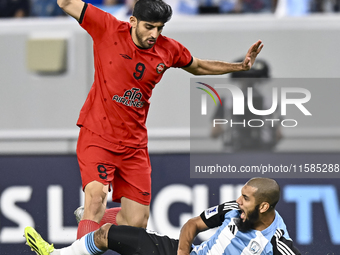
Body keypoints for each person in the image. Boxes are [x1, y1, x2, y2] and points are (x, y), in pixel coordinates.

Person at [56, 0, 264, 240]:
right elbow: (66, 2)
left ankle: (91, 218)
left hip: (134, 145)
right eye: (148, 27)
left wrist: (239, 67)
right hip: (98, 134)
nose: (154, 34)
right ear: (132, 21)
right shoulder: (107, 27)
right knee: (96, 198)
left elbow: (197, 66)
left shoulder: (168, 49)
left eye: (160, 28)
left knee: (135, 223)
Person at [24, 177, 301, 255]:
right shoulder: (233, 209)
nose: (238, 202)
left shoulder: (277, 242)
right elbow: (192, 225)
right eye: (240, 195)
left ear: (264, 207)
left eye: (246, 199)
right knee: (106, 234)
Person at [211, 58, 282, 151]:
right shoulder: (227, 101)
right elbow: (215, 132)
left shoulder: (269, 102)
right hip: (235, 149)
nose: (249, 82)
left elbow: (278, 133)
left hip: (261, 149)